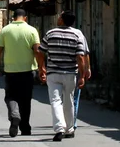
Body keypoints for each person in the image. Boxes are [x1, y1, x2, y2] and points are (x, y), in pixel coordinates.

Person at [0, 8, 45, 138]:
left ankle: (14, 115)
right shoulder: (32, 30)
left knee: (10, 96)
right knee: (26, 100)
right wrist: (42, 68)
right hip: (28, 71)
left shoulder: (5, 30)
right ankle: (25, 127)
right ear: (25, 18)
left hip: (10, 72)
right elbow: (37, 51)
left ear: (13, 18)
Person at [38, 11, 88, 142]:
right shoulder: (77, 34)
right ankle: (69, 129)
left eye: (59, 17)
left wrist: (41, 67)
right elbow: (80, 57)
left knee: (55, 101)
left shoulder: (50, 33)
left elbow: (40, 51)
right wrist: (82, 75)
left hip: (53, 73)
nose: (58, 18)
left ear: (62, 20)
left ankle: (59, 128)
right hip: (70, 74)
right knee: (69, 101)